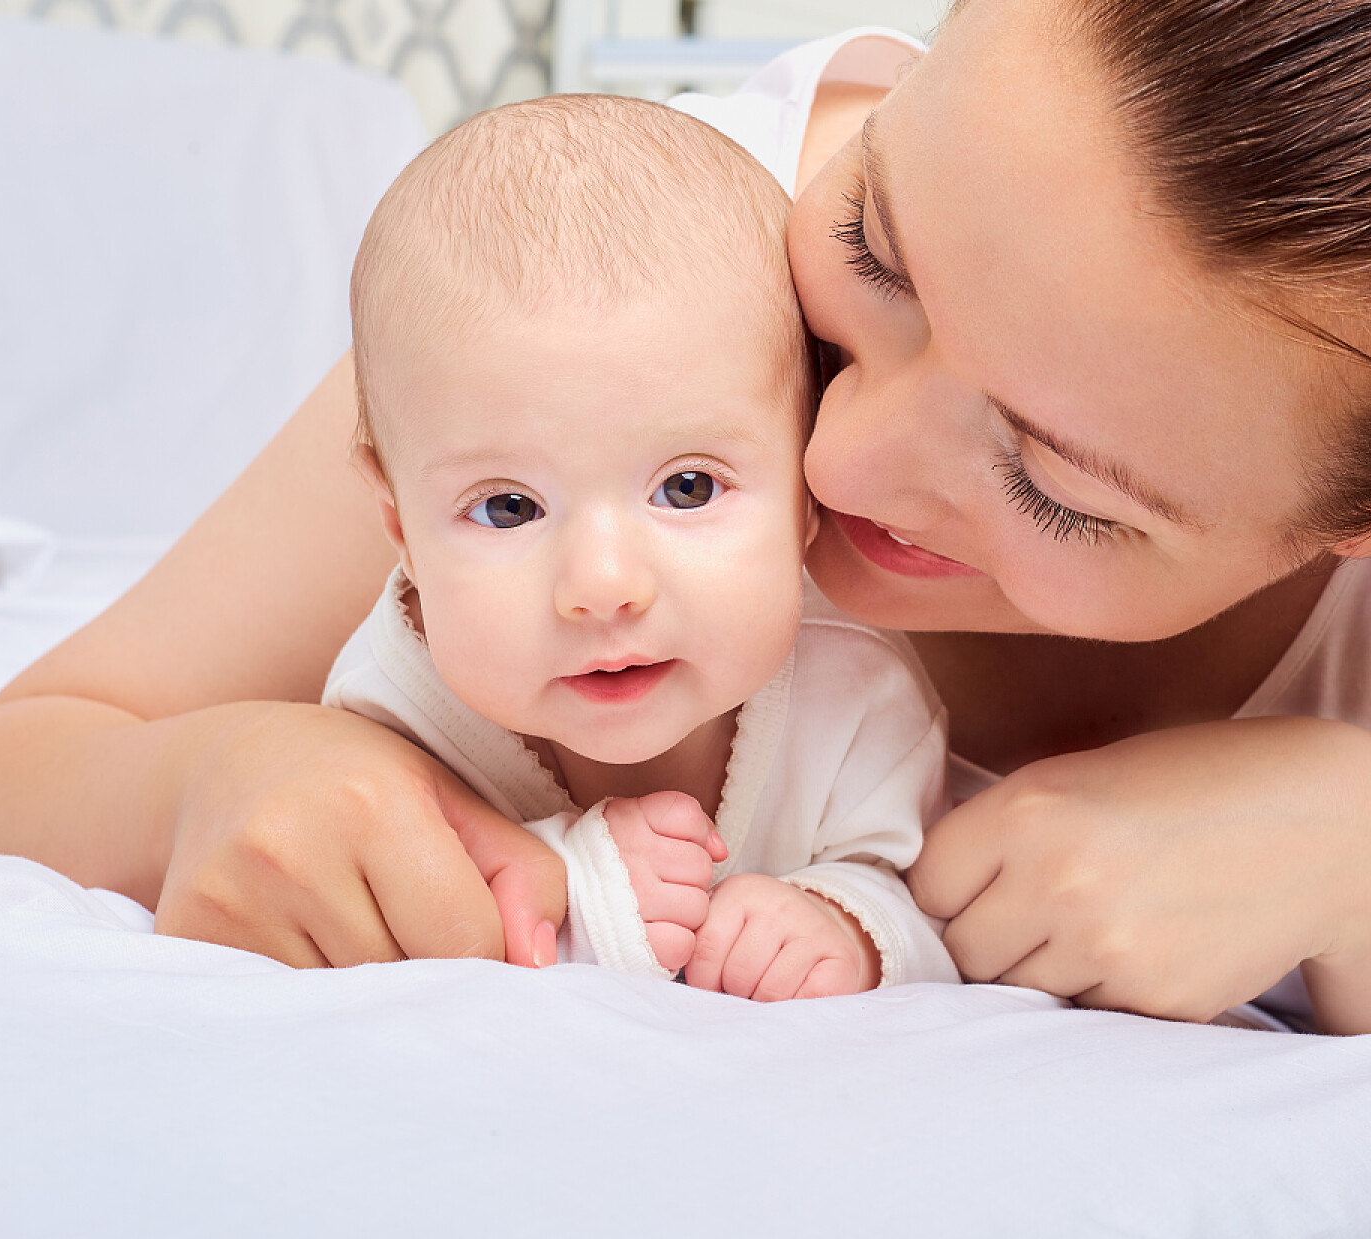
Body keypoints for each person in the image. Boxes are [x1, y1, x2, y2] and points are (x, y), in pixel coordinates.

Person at [0, 0, 1371, 1037]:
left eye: (1059, 482)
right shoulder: (614, 269)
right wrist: (208, 782)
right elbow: (19, 769)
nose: (838, 465)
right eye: (874, 251)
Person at [327, 94, 957, 998]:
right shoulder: (397, 709)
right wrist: (567, 879)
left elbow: (924, 902)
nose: (603, 586)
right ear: (399, 529)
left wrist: (845, 922)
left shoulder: (856, 697)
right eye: (509, 508)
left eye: (688, 488)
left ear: (805, 490)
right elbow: (373, 910)